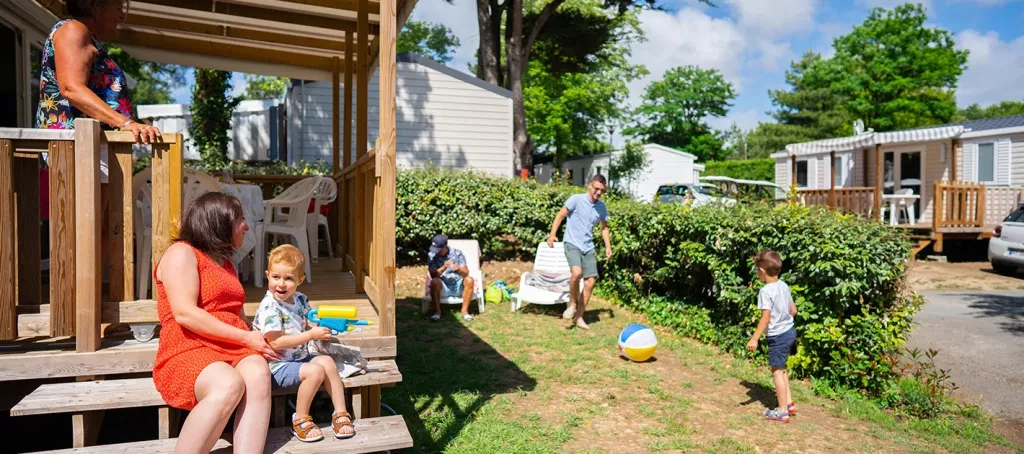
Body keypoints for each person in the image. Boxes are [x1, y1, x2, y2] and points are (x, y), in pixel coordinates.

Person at [153, 192, 277, 453]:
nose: (246, 226)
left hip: (231, 344)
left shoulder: (226, 264)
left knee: (257, 372)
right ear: (218, 223)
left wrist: (263, 335)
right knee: (228, 384)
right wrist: (245, 338)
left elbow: (237, 314)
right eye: (240, 219)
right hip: (188, 345)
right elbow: (185, 314)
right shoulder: (182, 253)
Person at [252, 245, 356, 442]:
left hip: (298, 358)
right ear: (267, 275)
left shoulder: (300, 299)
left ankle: (341, 413)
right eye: (276, 277)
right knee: (315, 371)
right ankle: (300, 419)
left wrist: (319, 331)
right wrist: (310, 336)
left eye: (289, 278)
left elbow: (305, 325)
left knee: (327, 362)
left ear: (300, 280)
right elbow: (275, 343)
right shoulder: (269, 307)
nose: (281, 284)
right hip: (276, 366)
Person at [38, 0, 161, 142]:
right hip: (76, 144)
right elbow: (71, 88)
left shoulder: (87, 36)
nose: (122, 16)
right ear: (95, 6)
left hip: (87, 143)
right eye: (117, 8)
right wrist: (126, 123)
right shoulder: (73, 29)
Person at [547, 174, 611, 330]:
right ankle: (572, 303)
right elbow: (560, 215)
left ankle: (579, 316)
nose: (598, 193)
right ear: (590, 185)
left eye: (601, 190)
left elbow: (604, 227)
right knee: (576, 273)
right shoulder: (576, 199)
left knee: (590, 282)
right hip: (572, 243)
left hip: (588, 247)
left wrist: (608, 246)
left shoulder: (601, 207)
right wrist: (552, 234)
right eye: (596, 189)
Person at [746, 250, 799, 423]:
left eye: (756, 270)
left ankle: (782, 411)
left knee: (776, 371)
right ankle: (789, 404)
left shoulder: (765, 291)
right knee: (781, 368)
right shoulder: (783, 285)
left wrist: (754, 338)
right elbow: (793, 310)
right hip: (790, 331)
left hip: (778, 336)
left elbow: (766, 318)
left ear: (761, 271)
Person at [427, 234, 476, 322]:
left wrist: (459, 269)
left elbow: (466, 273)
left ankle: (464, 312)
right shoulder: (431, 256)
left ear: (445, 246)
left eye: (438, 250)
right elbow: (433, 276)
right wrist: (443, 268)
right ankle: (437, 312)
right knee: (434, 282)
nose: (436, 252)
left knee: (469, 280)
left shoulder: (457, 253)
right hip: (443, 286)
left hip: (458, 285)